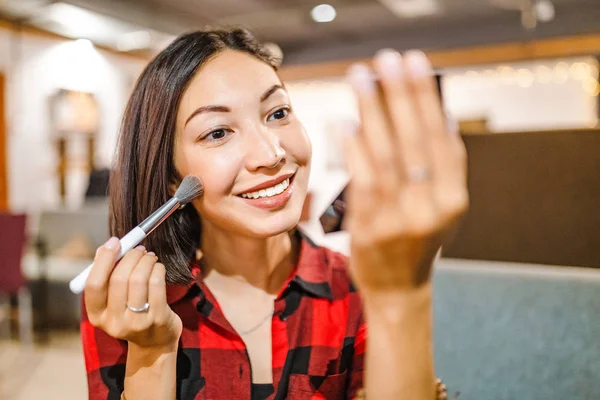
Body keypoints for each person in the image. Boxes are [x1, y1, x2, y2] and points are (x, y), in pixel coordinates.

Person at [81, 28, 467, 400]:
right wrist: (152, 352)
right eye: (218, 133)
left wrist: (401, 296)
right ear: (169, 177)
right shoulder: (132, 300)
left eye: (278, 112)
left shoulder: (357, 287)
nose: (272, 154)